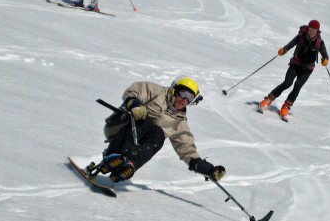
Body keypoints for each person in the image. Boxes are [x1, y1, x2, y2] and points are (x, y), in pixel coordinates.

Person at [88, 77, 226, 183]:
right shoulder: (158, 92)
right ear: (174, 90)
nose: (184, 100)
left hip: (136, 144)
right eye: (183, 94)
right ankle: (113, 156)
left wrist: (208, 169)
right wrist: (135, 104)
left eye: (189, 98)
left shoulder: (179, 120)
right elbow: (133, 90)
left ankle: (127, 165)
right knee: (145, 121)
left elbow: (187, 148)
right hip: (122, 125)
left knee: (159, 136)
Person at [259, 20, 329, 117]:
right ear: (308, 29)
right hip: (295, 64)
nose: (312, 32)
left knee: (297, 86)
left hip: (307, 69)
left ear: (317, 31)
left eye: (315, 30)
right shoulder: (301, 37)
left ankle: (286, 107)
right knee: (287, 83)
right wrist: (284, 50)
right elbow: (290, 44)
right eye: (311, 29)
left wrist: (325, 59)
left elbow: (325, 54)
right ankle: (268, 99)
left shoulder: (319, 42)